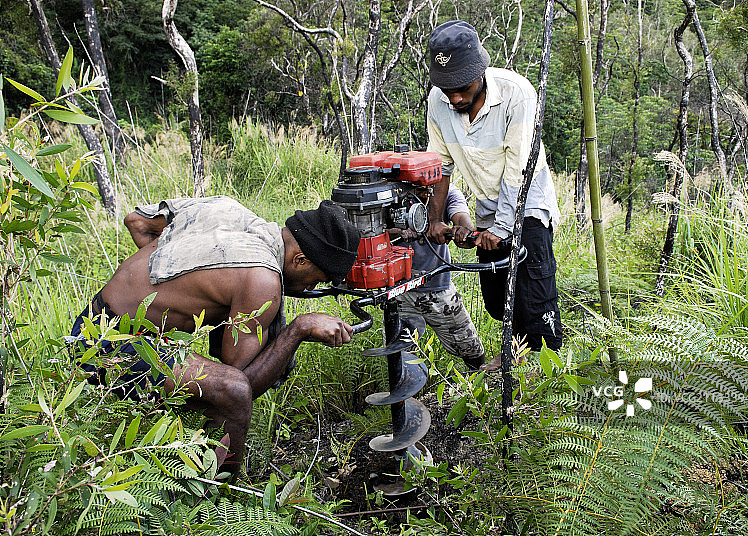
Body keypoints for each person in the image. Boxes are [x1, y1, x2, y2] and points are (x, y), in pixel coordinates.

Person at [69, 196, 360, 475]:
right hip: (105, 347)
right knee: (232, 391)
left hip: (92, 321)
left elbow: (137, 222)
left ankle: (194, 459)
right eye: (316, 281)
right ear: (300, 261)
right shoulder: (262, 278)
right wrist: (299, 329)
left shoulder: (225, 210)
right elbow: (245, 384)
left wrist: (169, 284)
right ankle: (217, 501)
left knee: (213, 380)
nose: (310, 290)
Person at [424, 20, 563, 370]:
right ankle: (514, 354)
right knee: (497, 296)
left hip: (527, 201)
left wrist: (503, 229)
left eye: (462, 87)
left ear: (481, 71)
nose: (455, 97)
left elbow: (519, 170)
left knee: (532, 291)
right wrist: (435, 220)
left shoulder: (517, 93)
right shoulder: (439, 103)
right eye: (447, 89)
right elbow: (440, 167)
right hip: (488, 204)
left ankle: (543, 367)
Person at [389, 184, 486, 370]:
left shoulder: (447, 192)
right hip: (398, 291)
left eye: (428, 189)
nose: (423, 194)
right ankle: (407, 397)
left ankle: (480, 386)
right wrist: (399, 232)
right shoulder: (390, 194)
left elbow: (462, 217)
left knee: (470, 347)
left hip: (437, 289)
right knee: (399, 357)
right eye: (417, 189)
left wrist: (462, 230)